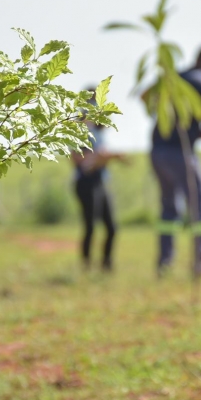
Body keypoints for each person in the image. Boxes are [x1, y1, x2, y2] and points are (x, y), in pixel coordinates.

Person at [150, 46, 201, 277]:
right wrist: (190, 134)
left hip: (157, 151)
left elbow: (146, 99)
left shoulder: (173, 79)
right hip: (182, 153)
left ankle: (164, 263)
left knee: (169, 207)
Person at [71, 91, 126, 271]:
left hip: (101, 182)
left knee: (112, 228)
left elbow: (99, 158)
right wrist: (104, 158)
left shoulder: (98, 133)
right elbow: (81, 162)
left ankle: (106, 265)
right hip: (86, 183)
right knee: (90, 226)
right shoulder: (78, 132)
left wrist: (109, 158)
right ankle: (86, 266)